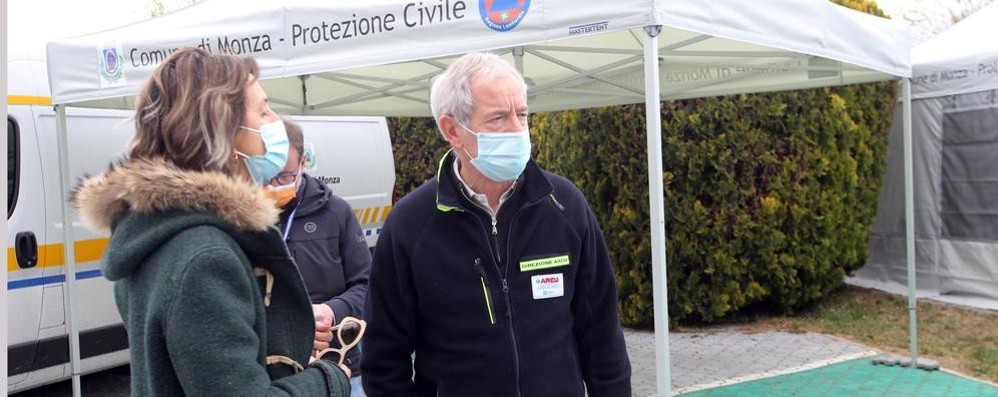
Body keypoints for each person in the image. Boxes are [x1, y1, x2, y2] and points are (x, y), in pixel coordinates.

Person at [72, 48, 351, 396]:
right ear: (223, 132)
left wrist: (285, 330)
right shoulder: (203, 256)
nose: (275, 121)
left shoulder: (161, 229)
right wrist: (329, 379)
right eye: (263, 111)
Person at [362, 52, 632, 396]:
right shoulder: (410, 225)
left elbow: (603, 335)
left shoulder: (563, 204)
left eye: (522, 115)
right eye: (498, 118)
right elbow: (384, 360)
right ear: (452, 130)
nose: (518, 131)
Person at [270, 119, 371, 396]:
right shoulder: (243, 218)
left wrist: (332, 311)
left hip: (341, 365)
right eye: (267, 175)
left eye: (285, 176)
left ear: (303, 163)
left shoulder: (336, 213)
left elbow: (368, 286)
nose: (274, 185)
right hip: (275, 374)